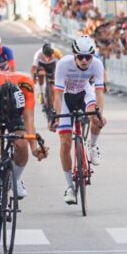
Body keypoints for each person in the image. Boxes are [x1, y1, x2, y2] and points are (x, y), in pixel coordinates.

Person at [0, 72, 47, 239]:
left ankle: (14, 179)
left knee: (21, 144)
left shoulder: (26, 86)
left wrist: (35, 149)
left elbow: (29, 121)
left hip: (16, 113)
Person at [49, 35, 106, 205]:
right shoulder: (63, 64)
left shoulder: (97, 64)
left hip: (84, 94)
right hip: (66, 97)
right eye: (80, 57)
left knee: (96, 119)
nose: (84, 60)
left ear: (92, 56)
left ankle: (93, 146)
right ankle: (69, 187)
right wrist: (57, 116)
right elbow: (57, 94)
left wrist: (99, 114)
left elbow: (99, 93)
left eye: (87, 57)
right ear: (74, 55)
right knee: (65, 143)